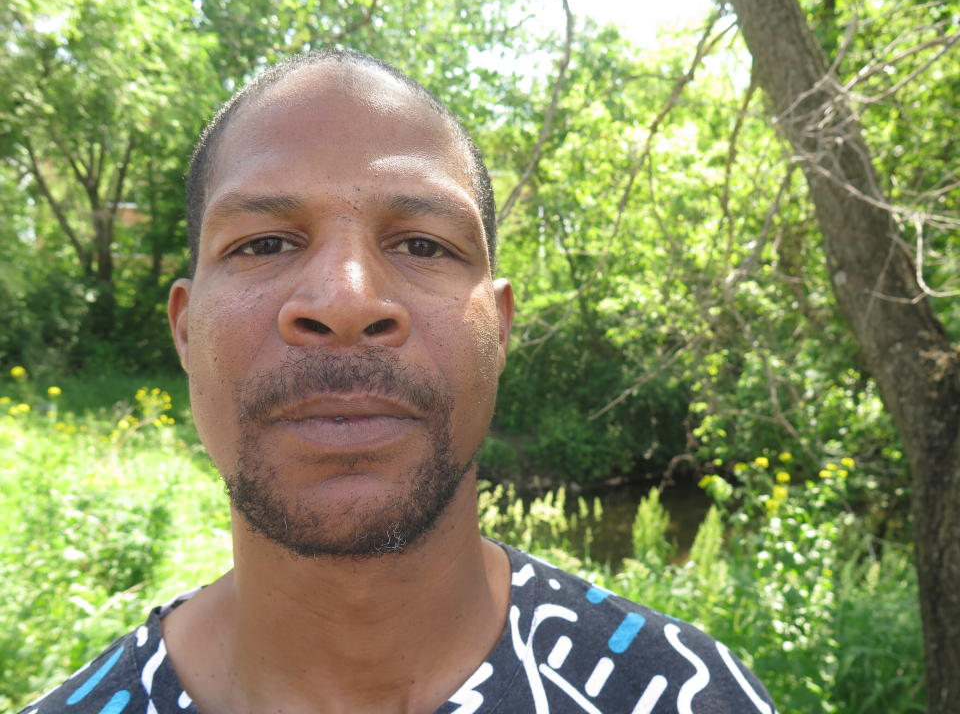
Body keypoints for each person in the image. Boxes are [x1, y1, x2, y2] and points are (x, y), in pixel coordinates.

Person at [19, 49, 776, 714]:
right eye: (265, 243)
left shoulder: (688, 696)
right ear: (185, 330)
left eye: (422, 243)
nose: (346, 302)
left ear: (500, 329)